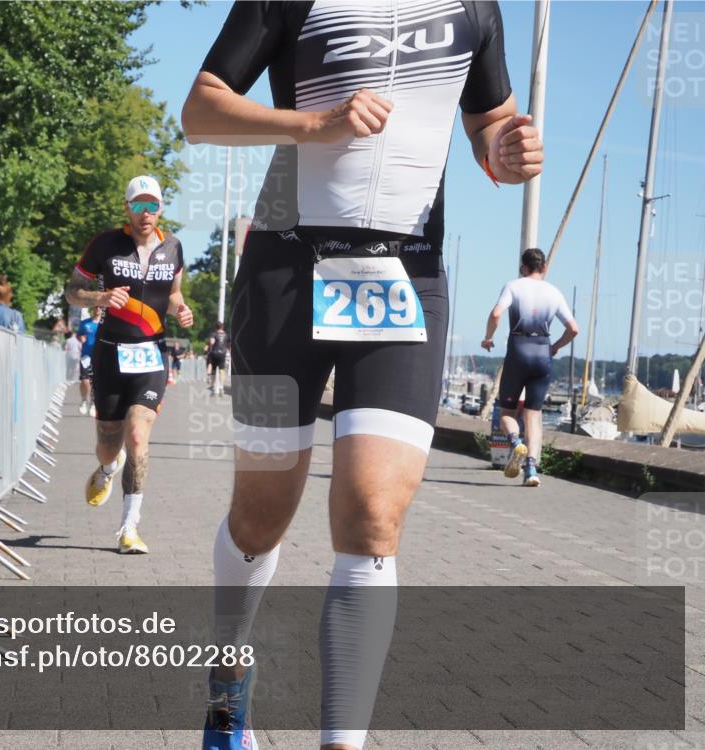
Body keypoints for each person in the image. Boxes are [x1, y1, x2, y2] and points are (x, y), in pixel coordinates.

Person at [182, 2, 544, 748]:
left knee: (373, 516)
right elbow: (201, 111)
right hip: (282, 271)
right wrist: (317, 125)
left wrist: (508, 152)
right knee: (260, 513)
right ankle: (226, 691)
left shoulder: (475, 7)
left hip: (404, 275)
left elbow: (490, 125)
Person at [65, 175, 194, 554]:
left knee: (138, 435)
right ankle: (107, 468)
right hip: (110, 353)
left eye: (152, 205)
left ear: (160, 209)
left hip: (151, 353)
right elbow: (73, 292)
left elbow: (172, 294)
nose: (146, 213)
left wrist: (181, 309)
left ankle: (128, 529)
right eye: (138, 206)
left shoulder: (173, 247)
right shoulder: (105, 244)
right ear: (127, 209)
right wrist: (101, 296)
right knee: (109, 439)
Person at [482, 248, 578, 487]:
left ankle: (516, 443)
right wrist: (555, 347)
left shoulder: (514, 286)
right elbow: (574, 329)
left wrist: (488, 337)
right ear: (544, 267)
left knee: (507, 413)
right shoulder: (554, 292)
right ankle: (532, 470)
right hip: (543, 352)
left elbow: (496, 314)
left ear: (523, 268)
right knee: (534, 416)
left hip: (519, 350)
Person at [76, 307, 104, 416]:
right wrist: (81, 338)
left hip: (100, 356)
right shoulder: (85, 323)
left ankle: (93, 404)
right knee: (85, 381)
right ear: (93, 309)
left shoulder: (105, 323)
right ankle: (84, 400)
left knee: (95, 383)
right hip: (86, 356)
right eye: (96, 307)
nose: (98, 309)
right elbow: (79, 334)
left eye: (100, 307)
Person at [205, 323, 229, 396]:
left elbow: (212, 342)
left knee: (214, 371)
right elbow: (229, 345)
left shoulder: (214, 334)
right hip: (223, 354)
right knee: (222, 370)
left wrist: (210, 345)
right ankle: (221, 387)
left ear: (216, 327)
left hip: (215, 353)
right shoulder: (226, 335)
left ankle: (213, 387)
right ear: (223, 327)